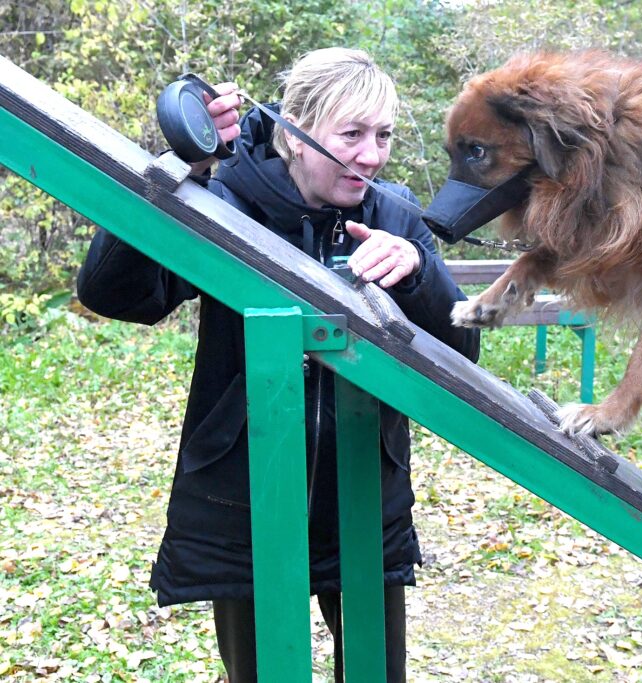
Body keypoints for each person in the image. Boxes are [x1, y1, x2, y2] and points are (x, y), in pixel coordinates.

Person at [76, 47, 479, 681]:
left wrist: (418, 274)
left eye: (384, 136)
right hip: (245, 494)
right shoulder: (226, 199)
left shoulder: (394, 216)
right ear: (293, 134)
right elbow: (115, 295)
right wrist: (182, 168)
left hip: (366, 496)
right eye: (351, 135)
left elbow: (462, 353)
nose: (371, 156)